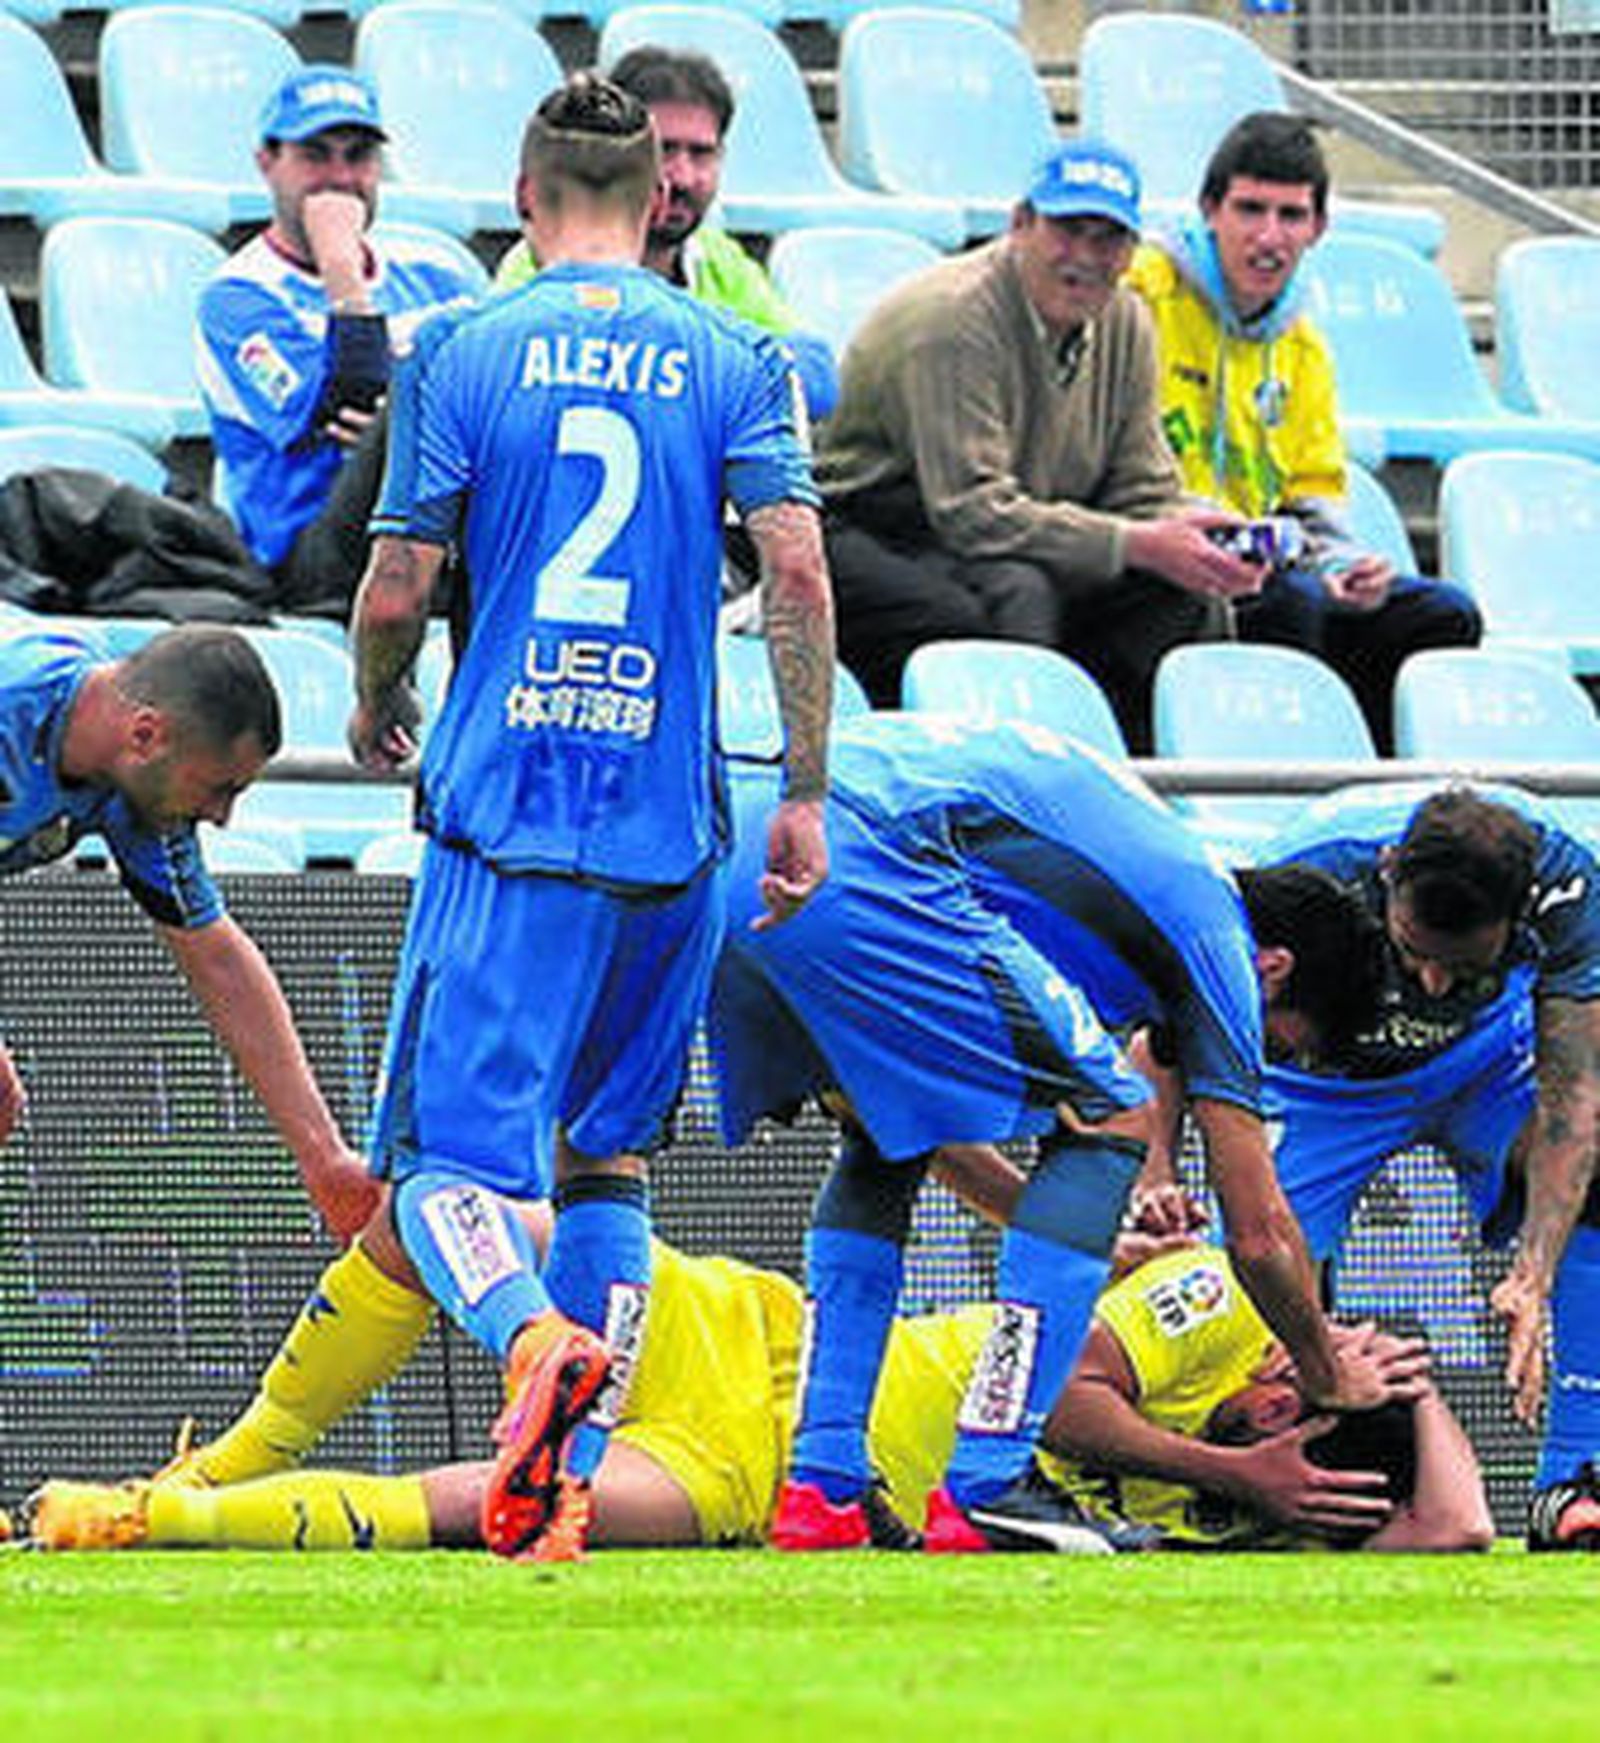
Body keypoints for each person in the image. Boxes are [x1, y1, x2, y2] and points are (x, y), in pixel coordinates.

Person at [346, 73, 834, 1564]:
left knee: (442, 1170)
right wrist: (804, 789)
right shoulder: (740, 354)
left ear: (523, 196)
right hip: (673, 822)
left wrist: (375, 697)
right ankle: (566, 1478)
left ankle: (530, 1336)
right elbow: (798, 575)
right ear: (662, 198)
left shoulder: (460, 348)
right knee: (607, 1159)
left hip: (512, 811)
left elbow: (398, 586)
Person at [707, 713, 1420, 1553]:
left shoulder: (1124, 889)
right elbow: (1259, 1234)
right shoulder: (1219, 936)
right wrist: (1327, 1371)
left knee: (883, 1137)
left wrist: (1083, 1239)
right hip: (854, 850)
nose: (1251, 1058)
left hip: (742, 846)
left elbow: (929, 1134)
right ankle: (989, 1477)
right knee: (1120, 1109)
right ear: (1274, 969)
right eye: (1278, 1046)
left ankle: (823, 1488)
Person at [21, 1209, 1484, 1555]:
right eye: (1288, 1407)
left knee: (486, 1511)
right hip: (759, 1345)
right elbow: (1055, 1390)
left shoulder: (1272, 1513)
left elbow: (1458, 1529)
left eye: (1293, 1436)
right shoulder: (1221, 1298)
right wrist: (1253, 1447)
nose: (1273, 1421)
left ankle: (137, 1518)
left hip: (759, 1482)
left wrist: (1397, 1405)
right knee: (436, 1213)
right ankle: (228, 1457)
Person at [816, 138, 1271, 749]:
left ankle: (1137, 771)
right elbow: (971, 514)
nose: (1085, 256)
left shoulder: (1128, 321)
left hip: (1011, 521)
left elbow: (1140, 486)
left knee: (1186, 591)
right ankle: (1013, 774)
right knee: (1013, 594)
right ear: (1020, 224)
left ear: (1131, 251)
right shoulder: (953, 322)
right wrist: (1138, 542)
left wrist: (1193, 532)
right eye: (1067, 230)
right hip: (871, 520)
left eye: (1107, 239)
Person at [1242, 782, 1600, 1549]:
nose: (1433, 983)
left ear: (1518, 913)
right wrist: (1160, 1170)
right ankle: (1278, 1505)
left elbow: (1573, 1097)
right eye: (1412, 952)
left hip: (1482, 1064)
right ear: (1387, 871)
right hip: (1322, 1093)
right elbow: (1176, 1036)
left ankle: (1575, 1480)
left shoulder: (1568, 888)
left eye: (1462, 963)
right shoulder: (1304, 874)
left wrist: (1533, 1273)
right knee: (1259, 1282)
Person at [0, 624, 375, 1242]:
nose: (221, 818)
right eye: (220, 788)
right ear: (146, 735)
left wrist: (325, 1158)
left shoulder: (132, 788)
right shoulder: (12, 706)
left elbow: (218, 960)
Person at [1123, 112, 1480, 751]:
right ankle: (1286, 773)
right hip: (1162, 556)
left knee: (1443, 614)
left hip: (1262, 563)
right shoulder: (1140, 295)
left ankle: (1375, 787)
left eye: (1291, 215)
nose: (1269, 236)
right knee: (1294, 601)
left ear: (1318, 228)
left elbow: (1311, 491)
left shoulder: (1303, 346)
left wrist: (1343, 565)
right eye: (1249, 209)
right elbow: (1114, 465)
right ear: (1209, 210)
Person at [194, 66, 479, 616]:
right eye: (316, 156)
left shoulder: (438, 275)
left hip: (434, 536)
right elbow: (345, 399)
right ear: (267, 162)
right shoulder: (237, 297)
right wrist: (341, 266)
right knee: (411, 405)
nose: (340, 178)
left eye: (358, 156)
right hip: (313, 559)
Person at [493, 46, 837, 422]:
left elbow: (814, 376)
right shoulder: (541, 261)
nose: (683, 177)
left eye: (701, 154)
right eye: (665, 150)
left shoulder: (718, 260)